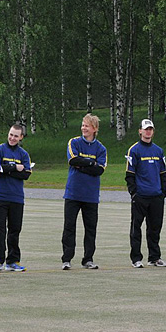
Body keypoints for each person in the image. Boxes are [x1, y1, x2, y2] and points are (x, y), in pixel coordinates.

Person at [61, 113, 106, 270]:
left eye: (86, 125)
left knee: (90, 229)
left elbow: (99, 170)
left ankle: (88, 259)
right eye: (82, 125)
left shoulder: (101, 148)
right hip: (73, 193)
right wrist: (89, 163)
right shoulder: (73, 142)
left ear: (94, 128)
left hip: (91, 196)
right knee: (69, 227)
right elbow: (73, 160)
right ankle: (66, 259)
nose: (83, 128)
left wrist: (83, 165)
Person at [125, 119, 166, 268]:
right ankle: (136, 258)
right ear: (140, 131)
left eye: (150, 129)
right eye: (146, 129)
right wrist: (134, 193)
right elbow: (129, 174)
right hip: (141, 196)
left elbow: (163, 173)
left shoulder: (158, 150)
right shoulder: (134, 150)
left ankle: (154, 257)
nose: (148, 131)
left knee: (155, 228)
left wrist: (163, 192)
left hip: (156, 196)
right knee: (136, 228)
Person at [0, 124, 32, 274]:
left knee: (15, 230)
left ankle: (13, 261)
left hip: (17, 198)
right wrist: (15, 168)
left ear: (21, 137)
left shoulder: (24, 154)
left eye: (16, 136)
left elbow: (26, 174)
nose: (12, 138)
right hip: (0, 197)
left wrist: (9, 169)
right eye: (11, 134)